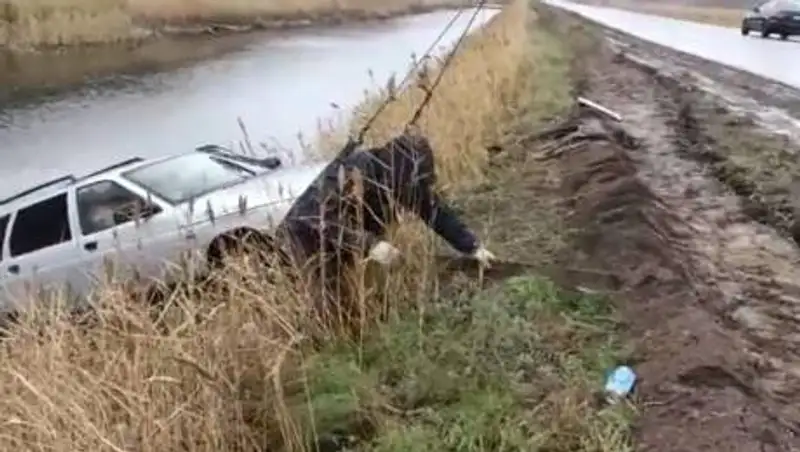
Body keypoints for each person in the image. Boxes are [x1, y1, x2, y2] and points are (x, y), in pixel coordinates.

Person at [274, 131, 495, 316]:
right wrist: (369, 244)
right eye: (410, 184)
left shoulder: (404, 179)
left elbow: (434, 211)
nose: (410, 192)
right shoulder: (354, 171)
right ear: (394, 171)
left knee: (358, 298)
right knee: (330, 306)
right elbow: (316, 216)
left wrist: (472, 247)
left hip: (346, 239)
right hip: (306, 239)